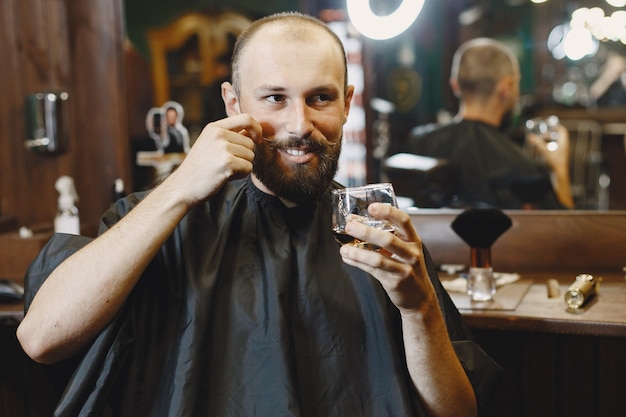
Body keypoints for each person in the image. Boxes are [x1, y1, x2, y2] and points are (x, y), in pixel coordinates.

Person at [17, 12, 500, 417]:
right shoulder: (167, 221)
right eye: (275, 98)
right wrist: (180, 187)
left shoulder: (376, 232)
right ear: (233, 103)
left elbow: (457, 411)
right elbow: (41, 338)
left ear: (347, 104)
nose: (299, 125)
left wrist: (419, 311)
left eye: (320, 98)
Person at [399, 38, 574, 210]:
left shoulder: (417, 144)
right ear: (506, 87)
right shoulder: (524, 169)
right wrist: (559, 170)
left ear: (455, 85)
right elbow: (565, 233)